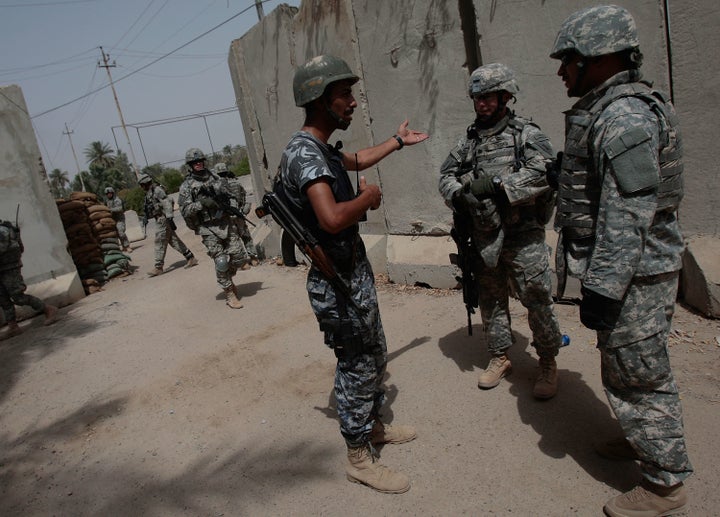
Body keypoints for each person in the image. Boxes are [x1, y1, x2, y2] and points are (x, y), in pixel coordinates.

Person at [550, 5, 692, 516]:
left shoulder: (623, 115)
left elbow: (628, 212)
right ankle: (644, 443)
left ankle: (663, 484)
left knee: (640, 374)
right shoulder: (611, 109)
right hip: (633, 267)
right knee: (628, 366)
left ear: (598, 57)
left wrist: (604, 288)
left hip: (635, 271)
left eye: (568, 59)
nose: (562, 69)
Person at [280, 54, 428, 493]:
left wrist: (396, 143)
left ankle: (373, 425)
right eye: (344, 95)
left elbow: (357, 160)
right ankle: (358, 456)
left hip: (352, 270)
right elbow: (329, 218)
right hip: (335, 280)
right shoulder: (304, 153)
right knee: (357, 363)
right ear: (320, 99)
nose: (352, 102)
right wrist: (369, 199)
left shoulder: (321, 149)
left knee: (375, 351)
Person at [438, 63, 562, 399]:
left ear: (506, 95)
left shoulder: (526, 133)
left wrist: (495, 185)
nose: (482, 103)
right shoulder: (470, 140)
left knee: (536, 298)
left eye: (489, 96)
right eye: (478, 97)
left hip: (524, 234)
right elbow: (445, 176)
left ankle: (548, 361)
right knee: (490, 299)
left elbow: (543, 172)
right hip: (486, 234)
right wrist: (460, 194)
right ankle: (500, 355)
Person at [178, 150, 249, 309]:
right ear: (190, 165)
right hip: (207, 228)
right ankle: (229, 292)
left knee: (239, 257)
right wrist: (201, 204)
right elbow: (184, 210)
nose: (198, 163)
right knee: (221, 261)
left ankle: (225, 277)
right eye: (195, 162)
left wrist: (232, 207)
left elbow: (231, 195)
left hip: (225, 222)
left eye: (200, 161)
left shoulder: (217, 178)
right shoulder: (187, 186)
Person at [0, 219, 58, 337]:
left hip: (10, 268)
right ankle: (13, 327)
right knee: (3, 298)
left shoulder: (2, 230)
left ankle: (48, 309)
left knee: (18, 297)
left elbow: (2, 248)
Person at [138, 173, 198, 277]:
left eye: (142, 185)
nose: (141, 187)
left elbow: (166, 202)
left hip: (163, 219)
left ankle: (158, 267)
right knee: (174, 241)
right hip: (159, 219)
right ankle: (190, 258)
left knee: (159, 241)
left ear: (145, 183)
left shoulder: (157, 190)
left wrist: (169, 217)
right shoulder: (149, 193)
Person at [214, 162, 259, 267]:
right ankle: (253, 258)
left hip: (227, 217)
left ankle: (243, 263)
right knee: (246, 236)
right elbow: (243, 197)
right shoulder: (236, 183)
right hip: (239, 213)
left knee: (233, 240)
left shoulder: (217, 186)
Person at [104, 186, 131, 252]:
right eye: (107, 194)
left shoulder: (117, 200)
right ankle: (123, 246)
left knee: (121, 232)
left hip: (120, 219)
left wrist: (111, 210)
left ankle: (127, 246)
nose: (108, 195)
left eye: (109, 193)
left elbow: (120, 208)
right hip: (112, 219)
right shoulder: (107, 201)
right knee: (116, 234)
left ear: (112, 193)